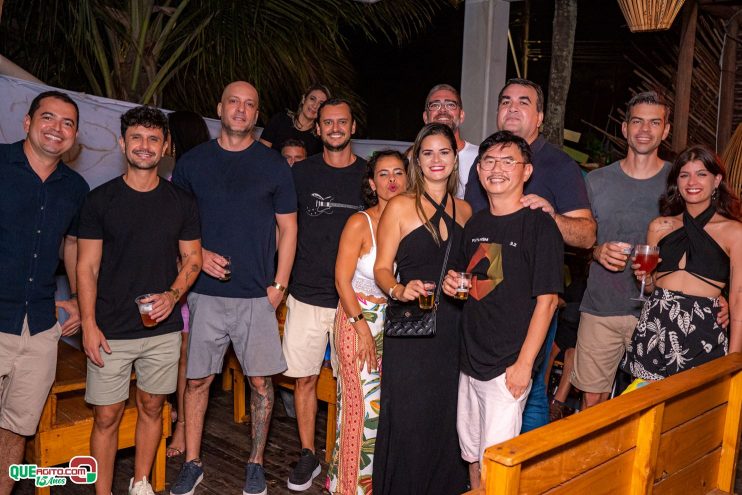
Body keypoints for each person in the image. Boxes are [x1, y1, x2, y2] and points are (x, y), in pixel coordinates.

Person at [171, 81, 298, 495]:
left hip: (255, 296)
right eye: (233, 102)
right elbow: (175, 224)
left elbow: (289, 228)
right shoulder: (193, 163)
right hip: (204, 294)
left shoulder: (273, 165)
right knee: (196, 382)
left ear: (257, 116)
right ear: (219, 107)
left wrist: (279, 284)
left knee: (262, 384)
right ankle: (192, 462)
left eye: (249, 105)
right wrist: (197, 254)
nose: (241, 110)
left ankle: (256, 463)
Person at [77, 106, 202, 495]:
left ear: (165, 146)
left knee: (152, 407)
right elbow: (86, 269)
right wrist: (89, 325)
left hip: (161, 328)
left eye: (153, 139)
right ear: (122, 143)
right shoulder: (100, 201)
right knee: (107, 415)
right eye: (136, 138)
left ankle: (141, 481)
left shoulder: (181, 201)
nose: (144, 146)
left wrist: (172, 295)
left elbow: (193, 259)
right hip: (110, 328)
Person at [466, 78, 596, 432]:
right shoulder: (487, 161)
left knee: (529, 387)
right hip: (485, 298)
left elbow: (587, 236)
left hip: (534, 295)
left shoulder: (558, 165)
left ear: (539, 117)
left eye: (524, 102)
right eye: (505, 100)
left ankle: (523, 476)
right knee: (483, 396)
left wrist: (552, 216)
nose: (512, 107)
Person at [442, 130, 562, 488]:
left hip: (507, 366)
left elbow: (548, 300)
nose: (496, 168)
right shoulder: (477, 224)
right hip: (471, 359)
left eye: (508, 161)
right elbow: (479, 283)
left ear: (526, 172)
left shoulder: (539, 225)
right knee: (473, 452)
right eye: (489, 161)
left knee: (498, 462)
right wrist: (454, 287)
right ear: (478, 171)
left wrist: (525, 365)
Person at [373, 123, 472, 495]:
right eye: (427, 152)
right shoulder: (400, 206)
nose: (436, 160)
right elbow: (382, 268)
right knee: (410, 418)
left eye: (443, 152)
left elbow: (485, 271)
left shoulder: (466, 210)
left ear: (454, 157)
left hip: (453, 329)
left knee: (446, 416)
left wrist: (466, 282)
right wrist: (400, 289)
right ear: (417, 158)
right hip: (411, 329)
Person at [0, 91, 89, 495]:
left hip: (38, 326)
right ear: (27, 122)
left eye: (67, 123)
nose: (57, 128)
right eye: (48, 118)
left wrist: (76, 300)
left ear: (74, 136)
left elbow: (72, 245)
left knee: (18, 427)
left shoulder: (75, 186)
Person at [283, 97, 367, 491]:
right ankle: (307, 454)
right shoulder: (300, 174)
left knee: (352, 383)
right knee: (303, 380)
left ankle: (346, 457)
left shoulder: (369, 177)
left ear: (353, 127)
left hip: (352, 300)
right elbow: (282, 229)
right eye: (327, 122)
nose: (334, 128)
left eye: (342, 122)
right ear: (316, 129)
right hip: (305, 295)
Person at [570, 91, 673, 410]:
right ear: (624, 128)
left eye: (654, 122)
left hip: (659, 311)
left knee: (651, 406)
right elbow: (578, 242)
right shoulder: (597, 181)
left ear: (665, 131)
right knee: (593, 403)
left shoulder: (679, 181)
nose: (645, 129)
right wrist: (596, 251)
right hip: (603, 307)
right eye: (637, 121)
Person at [621, 145, 741, 382]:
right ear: (677, 182)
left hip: (702, 330)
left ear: (716, 180)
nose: (692, 181)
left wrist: (735, 357)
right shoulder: (659, 226)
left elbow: (738, 297)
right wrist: (642, 277)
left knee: (695, 412)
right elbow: (650, 288)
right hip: (656, 324)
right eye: (684, 175)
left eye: (701, 174)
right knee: (645, 410)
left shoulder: (734, 232)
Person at [328, 150, 408, 494]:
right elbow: (341, 279)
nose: (392, 180)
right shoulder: (360, 222)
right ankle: (350, 489)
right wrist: (361, 326)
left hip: (396, 324)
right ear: (372, 184)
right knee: (361, 412)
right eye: (383, 174)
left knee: (385, 413)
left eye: (398, 173)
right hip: (357, 317)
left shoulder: (413, 220)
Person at [164, 110, 212, 459]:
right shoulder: (173, 179)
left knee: (185, 358)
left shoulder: (196, 178)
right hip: (170, 277)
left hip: (195, 279)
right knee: (174, 356)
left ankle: (181, 429)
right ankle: (174, 413)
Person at [422, 84, 478, 198]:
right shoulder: (412, 159)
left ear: (461, 115)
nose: (442, 110)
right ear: (425, 117)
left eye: (450, 105)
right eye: (435, 105)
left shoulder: (481, 156)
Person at [260, 83, 331, 156]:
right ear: (304, 99)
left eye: (321, 103)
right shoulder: (280, 120)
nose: (315, 105)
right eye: (312, 99)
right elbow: (261, 153)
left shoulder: (319, 137)